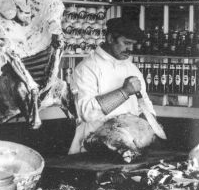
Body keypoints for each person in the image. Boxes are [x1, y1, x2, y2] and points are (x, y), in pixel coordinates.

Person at [68, 16, 164, 153]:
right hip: (94, 147)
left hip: (129, 145)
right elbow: (87, 112)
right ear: (110, 39)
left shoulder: (132, 68)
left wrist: (148, 127)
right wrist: (124, 92)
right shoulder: (86, 68)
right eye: (126, 43)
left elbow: (145, 105)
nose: (130, 49)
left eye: (133, 44)